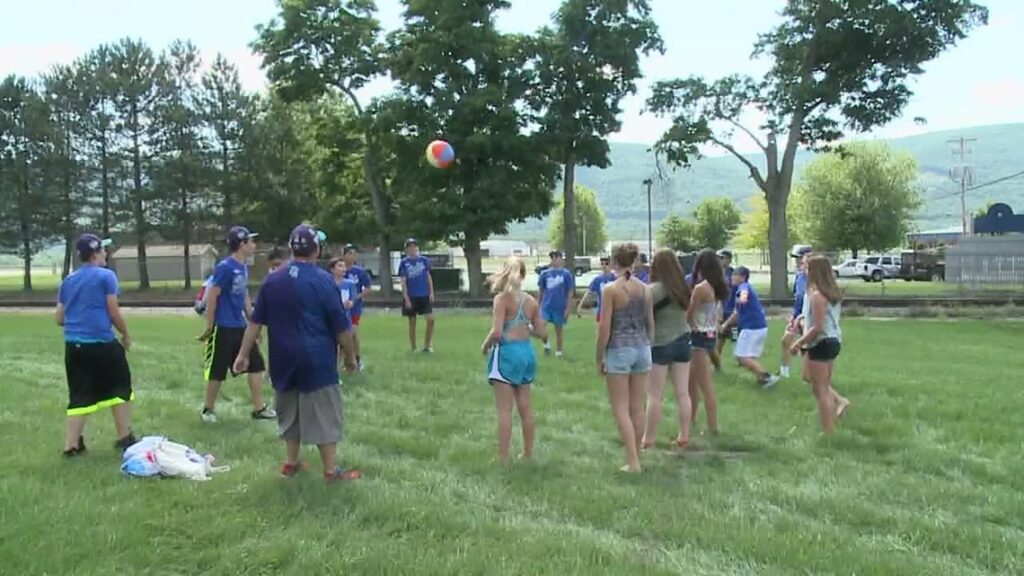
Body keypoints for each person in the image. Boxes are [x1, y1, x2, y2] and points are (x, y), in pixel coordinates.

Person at [233, 224, 362, 482]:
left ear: (292, 249)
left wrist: (242, 354)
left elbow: (255, 322)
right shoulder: (324, 281)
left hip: (282, 358)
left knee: (288, 410)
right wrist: (349, 357)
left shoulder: (273, 280)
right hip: (316, 359)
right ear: (316, 250)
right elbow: (341, 328)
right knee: (325, 413)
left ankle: (291, 463)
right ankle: (330, 470)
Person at [57, 234, 137, 456]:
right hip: (101, 343)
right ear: (94, 254)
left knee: (79, 396)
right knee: (120, 388)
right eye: (103, 250)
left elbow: (59, 318)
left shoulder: (68, 281)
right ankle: (124, 437)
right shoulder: (106, 276)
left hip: (74, 347)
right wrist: (126, 334)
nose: (105, 254)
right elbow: (113, 312)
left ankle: (71, 446)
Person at [198, 225, 275, 423]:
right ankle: (208, 409)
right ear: (241, 244)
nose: (254, 245)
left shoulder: (242, 267)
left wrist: (253, 321)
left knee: (256, 364)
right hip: (223, 327)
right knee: (217, 370)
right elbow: (213, 297)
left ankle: (259, 408)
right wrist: (210, 326)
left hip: (240, 326)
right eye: (251, 241)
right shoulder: (225, 267)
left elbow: (244, 296)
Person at [480, 258, 547, 463]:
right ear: (524, 275)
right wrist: (526, 328)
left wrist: (485, 345)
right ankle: (527, 453)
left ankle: (503, 456)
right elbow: (543, 333)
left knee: (504, 409)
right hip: (526, 354)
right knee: (525, 407)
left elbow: (498, 331)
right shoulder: (531, 302)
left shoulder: (501, 300)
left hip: (507, 354)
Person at [597, 243, 653, 473]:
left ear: (614, 261)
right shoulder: (645, 289)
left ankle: (633, 462)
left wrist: (599, 356)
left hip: (619, 349)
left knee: (620, 408)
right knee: (637, 407)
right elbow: (651, 323)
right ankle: (636, 456)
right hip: (642, 347)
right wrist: (649, 343)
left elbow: (604, 329)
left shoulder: (610, 289)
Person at [790, 256, 850, 433]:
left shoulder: (817, 296)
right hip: (832, 340)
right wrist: (802, 318)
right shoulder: (830, 293)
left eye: (807, 268)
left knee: (820, 390)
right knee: (812, 379)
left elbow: (817, 328)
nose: (804, 271)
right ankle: (838, 404)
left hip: (821, 342)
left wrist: (798, 343)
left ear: (815, 271)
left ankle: (828, 431)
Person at [642, 249, 693, 450]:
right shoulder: (683, 288)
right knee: (683, 393)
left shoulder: (652, 291)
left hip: (660, 343)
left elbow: (646, 317)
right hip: (683, 340)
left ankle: (648, 439)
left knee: (655, 395)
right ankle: (684, 436)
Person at [687, 249, 730, 436]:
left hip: (698, 335)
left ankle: (713, 426)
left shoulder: (700, 288)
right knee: (693, 381)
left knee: (704, 383)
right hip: (710, 333)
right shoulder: (717, 286)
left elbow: (690, 314)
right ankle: (691, 419)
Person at [721, 266, 780, 388]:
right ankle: (761, 378)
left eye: (734, 275)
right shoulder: (738, 289)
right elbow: (736, 314)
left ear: (742, 277)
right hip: (758, 326)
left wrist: (742, 299)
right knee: (749, 356)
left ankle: (767, 377)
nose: (732, 277)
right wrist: (726, 325)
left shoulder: (743, 287)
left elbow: (743, 296)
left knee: (742, 356)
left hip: (752, 327)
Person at [780, 246, 813, 378]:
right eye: (796, 258)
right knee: (786, 341)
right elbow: (798, 298)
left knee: (806, 346)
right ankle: (784, 372)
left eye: (799, 258)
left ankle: (809, 375)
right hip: (798, 314)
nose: (797, 261)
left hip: (808, 315)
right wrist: (793, 316)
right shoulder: (799, 276)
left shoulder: (814, 277)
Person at [399, 238, 436, 353]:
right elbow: (403, 281)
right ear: (406, 250)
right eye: (410, 247)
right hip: (412, 295)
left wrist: (431, 292)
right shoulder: (404, 263)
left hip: (424, 294)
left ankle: (427, 345)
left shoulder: (423, 260)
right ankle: (414, 347)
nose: (412, 249)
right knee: (412, 322)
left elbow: (428, 277)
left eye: (414, 247)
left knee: (430, 319)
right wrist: (406, 298)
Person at [538, 250, 575, 358]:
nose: (554, 260)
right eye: (552, 258)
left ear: (561, 259)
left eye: (556, 258)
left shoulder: (566, 274)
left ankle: (559, 351)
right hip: (546, 305)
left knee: (558, 329)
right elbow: (541, 290)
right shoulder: (545, 274)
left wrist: (568, 308)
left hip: (559, 306)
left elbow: (570, 292)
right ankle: (546, 343)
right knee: (540, 326)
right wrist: (537, 304)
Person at [343, 244, 373, 370]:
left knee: (352, 333)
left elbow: (368, 288)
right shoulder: (339, 270)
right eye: (349, 253)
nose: (352, 256)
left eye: (354, 254)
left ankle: (357, 359)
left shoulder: (359, 272)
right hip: (342, 308)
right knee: (343, 334)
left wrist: (357, 297)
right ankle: (346, 361)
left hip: (354, 308)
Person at [711, 249, 735, 372]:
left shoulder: (733, 274)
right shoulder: (715, 274)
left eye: (722, 258)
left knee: (735, 335)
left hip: (731, 309)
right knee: (720, 335)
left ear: (729, 260)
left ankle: (740, 357)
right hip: (719, 309)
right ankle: (717, 360)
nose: (719, 260)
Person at [576, 256, 614, 321]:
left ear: (611, 265)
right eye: (602, 264)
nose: (604, 266)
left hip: (613, 311)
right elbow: (589, 292)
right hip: (601, 311)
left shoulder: (615, 278)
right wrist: (580, 305)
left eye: (606, 264)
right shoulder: (598, 279)